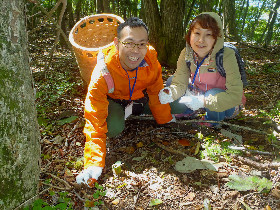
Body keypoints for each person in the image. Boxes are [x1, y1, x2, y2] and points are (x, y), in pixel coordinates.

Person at [76, 17, 173, 185]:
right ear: (116, 43)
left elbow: (156, 91)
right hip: (115, 101)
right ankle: (125, 113)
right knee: (112, 128)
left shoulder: (150, 59)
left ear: (147, 44)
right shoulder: (103, 71)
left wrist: (165, 120)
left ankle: (136, 110)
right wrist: (93, 163)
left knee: (176, 105)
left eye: (141, 44)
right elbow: (94, 118)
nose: (135, 50)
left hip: (139, 98)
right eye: (129, 43)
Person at [159, 12, 246, 126]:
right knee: (171, 81)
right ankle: (189, 111)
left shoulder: (226, 55)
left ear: (217, 38)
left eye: (208, 34)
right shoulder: (186, 53)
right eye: (197, 33)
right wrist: (170, 93)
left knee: (212, 93)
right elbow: (179, 83)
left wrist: (203, 101)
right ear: (190, 35)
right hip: (199, 95)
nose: (201, 40)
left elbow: (235, 96)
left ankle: (212, 122)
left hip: (226, 103)